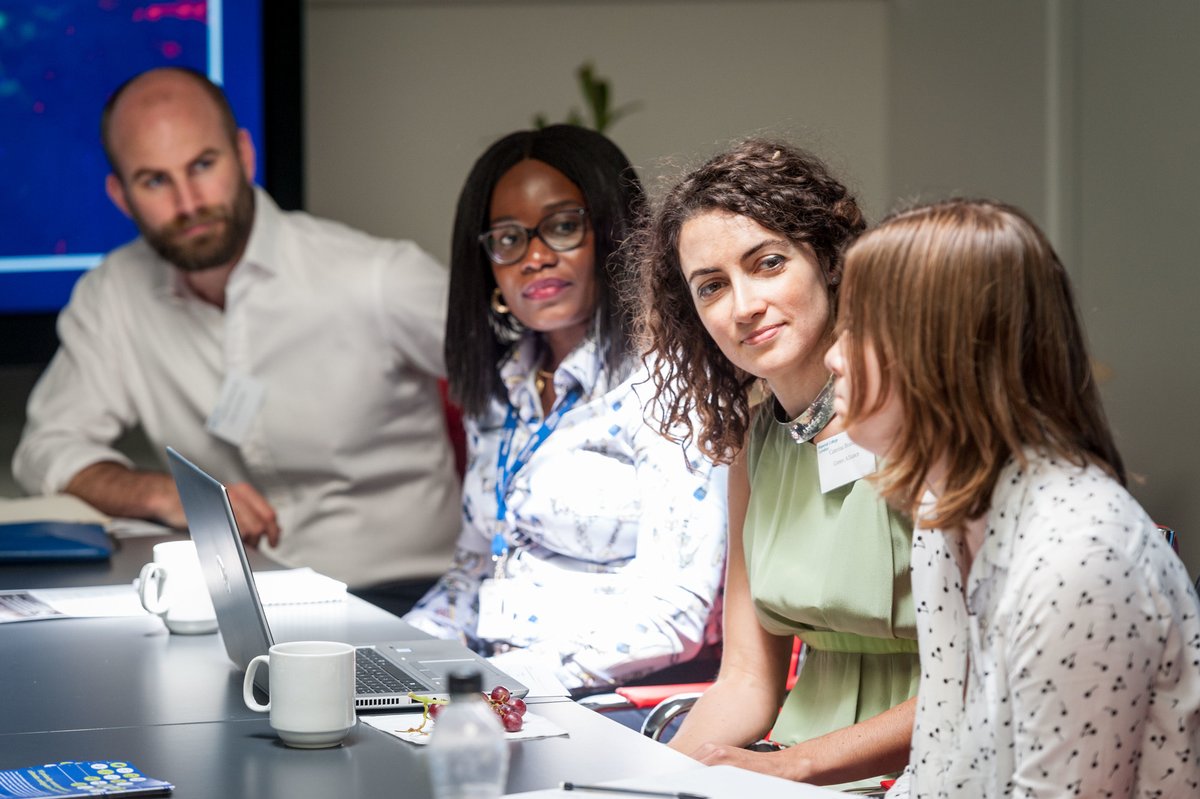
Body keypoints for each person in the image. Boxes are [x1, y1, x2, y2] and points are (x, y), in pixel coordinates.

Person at [12, 67, 460, 609]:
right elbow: (45, 449)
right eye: (154, 181)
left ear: (244, 155)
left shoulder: (377, 276)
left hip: (405, 600)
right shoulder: (113, 294)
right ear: (121, 196)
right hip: (234, 605)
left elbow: (530, 377)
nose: (187, 203)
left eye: (203, 165)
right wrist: (160, 492)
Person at [825, 199, 1200, 798]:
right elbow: (935, 764)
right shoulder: (942, 513)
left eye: (857, 329)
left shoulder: (1078, 555)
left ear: (940, 352)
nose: (832, 357)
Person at [403, 125, 727, 694]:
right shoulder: (503, 388)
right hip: (494, 688)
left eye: (561, 227)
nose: (533, 258)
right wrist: (390, 654)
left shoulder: (669, 386)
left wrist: (513, 682)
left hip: (601, 701)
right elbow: (471, 575)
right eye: (507, 239)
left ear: (612, 235)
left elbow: (677, 613)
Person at [634, 139, 917, 789]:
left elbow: (987, 679)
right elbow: (745, 682)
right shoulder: (754, 445)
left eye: (766, 263)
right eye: (712, 286)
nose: (743, 305)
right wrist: (648, 780)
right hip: (785, 770)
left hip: (923, 772)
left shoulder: (922, 416)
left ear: (828, 260)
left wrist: (794, 765)